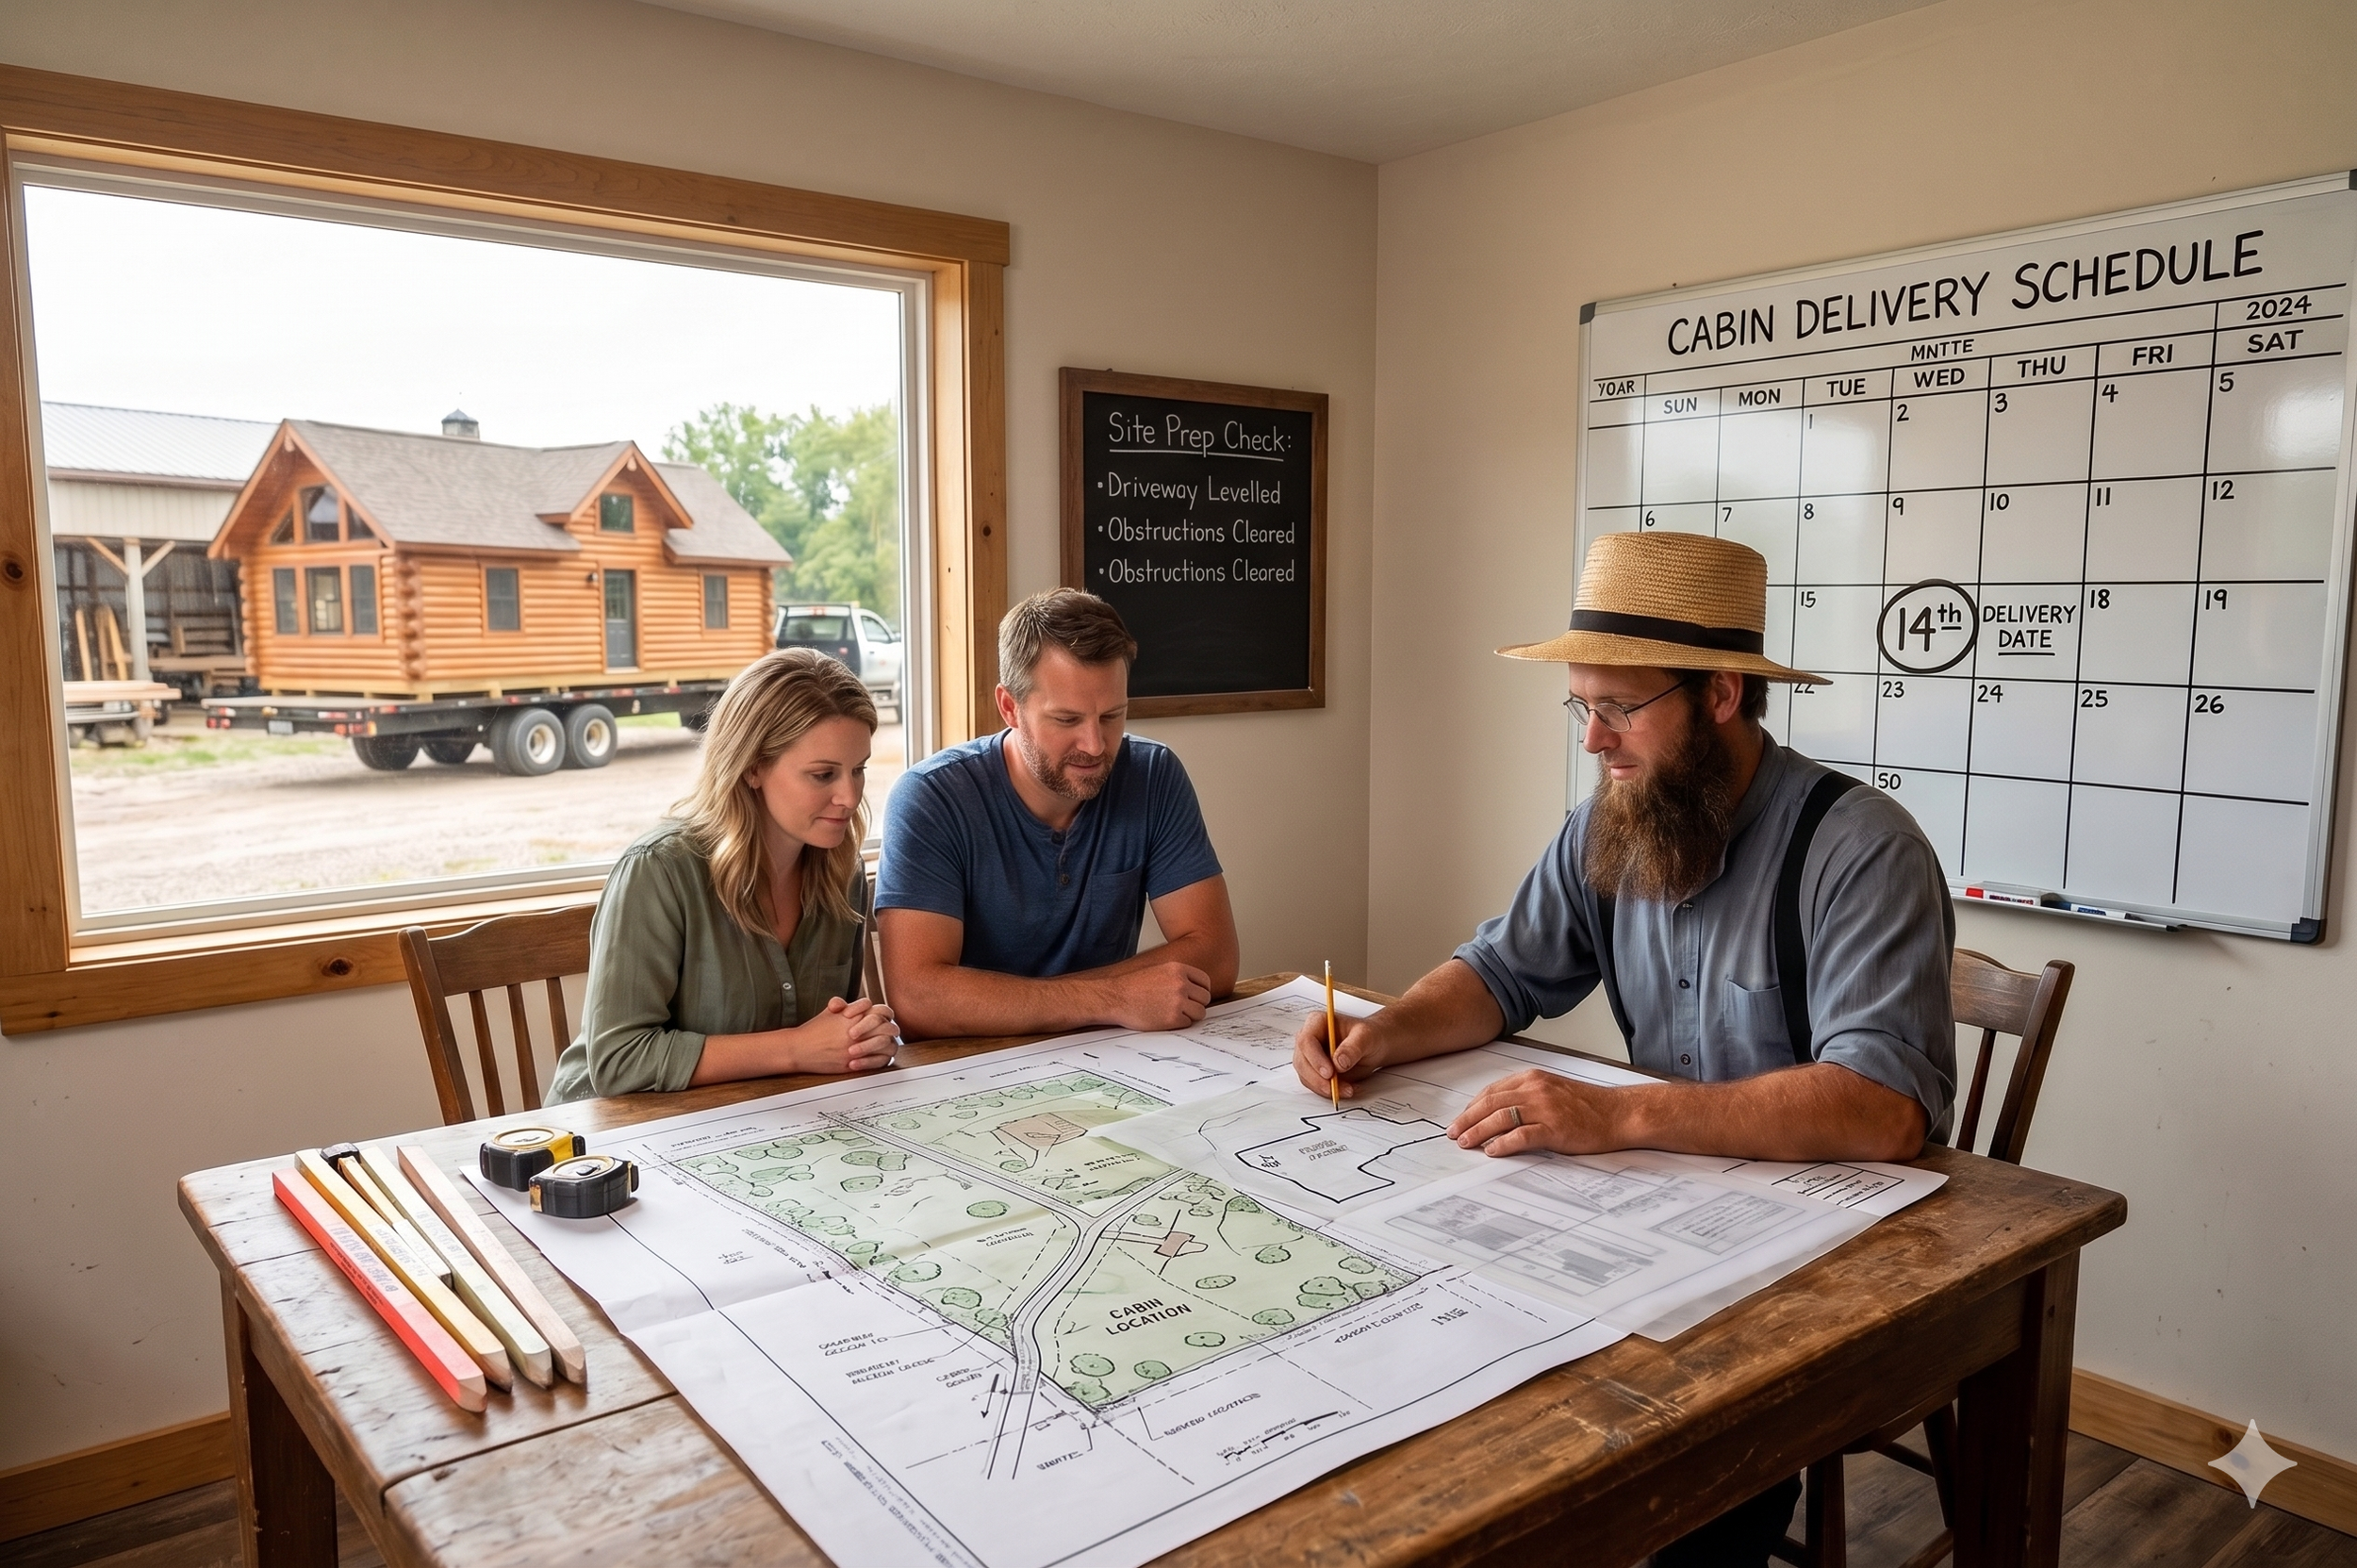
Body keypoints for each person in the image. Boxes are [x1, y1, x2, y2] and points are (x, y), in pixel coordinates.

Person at [1292, 530, 1955, 1568]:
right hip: (1656, 1221)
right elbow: (1502, 973)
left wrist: (1616, 1114)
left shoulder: (1861, 848)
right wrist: (1383, 1032)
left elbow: (1882, 1108)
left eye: (1617, 707)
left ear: (1722, 694)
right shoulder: (1613, 817)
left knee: (1676, 1475)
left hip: (1813, 1251)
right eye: (1580, 706)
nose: (1593, 740)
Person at [878, 588, 1239, 1038]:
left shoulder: (1153, 774)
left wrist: (1024, 1001)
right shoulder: (930, 799)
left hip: (1120, 1056)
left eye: (1112, 716)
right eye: (1067, 720)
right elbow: (917, 999)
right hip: (971, 1068)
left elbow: (1216, 955)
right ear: (1009, 707)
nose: (1094, 745)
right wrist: (1115, 997)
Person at [547, 648, 898, 1102]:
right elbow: (619, 1060)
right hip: (613, 1137)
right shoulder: (658, 869)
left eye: (859, 770)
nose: (849, 797)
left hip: (752, 1125)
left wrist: (860, 1038)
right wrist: (794, 1050)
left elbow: (830, 1035)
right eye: (822, 774)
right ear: (752, 766)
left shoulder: (842, 872)